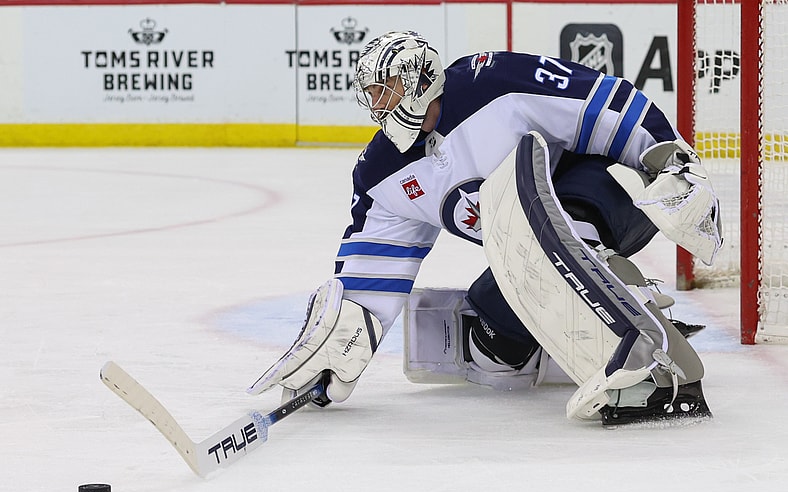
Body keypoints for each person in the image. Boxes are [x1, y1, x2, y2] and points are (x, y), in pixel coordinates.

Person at [248, 31, 722, 425]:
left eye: (387, 88)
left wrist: (669, 156)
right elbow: (375, 267)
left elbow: (599, 103)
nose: (379, 103)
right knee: (489, 342)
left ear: (418, 78)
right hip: (529, 246)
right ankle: (564, 340)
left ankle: (648, 352)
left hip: (611, 190)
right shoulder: (380, 174)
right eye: (372, 95)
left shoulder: (492, 82)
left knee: (565, 233)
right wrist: (342, 341)